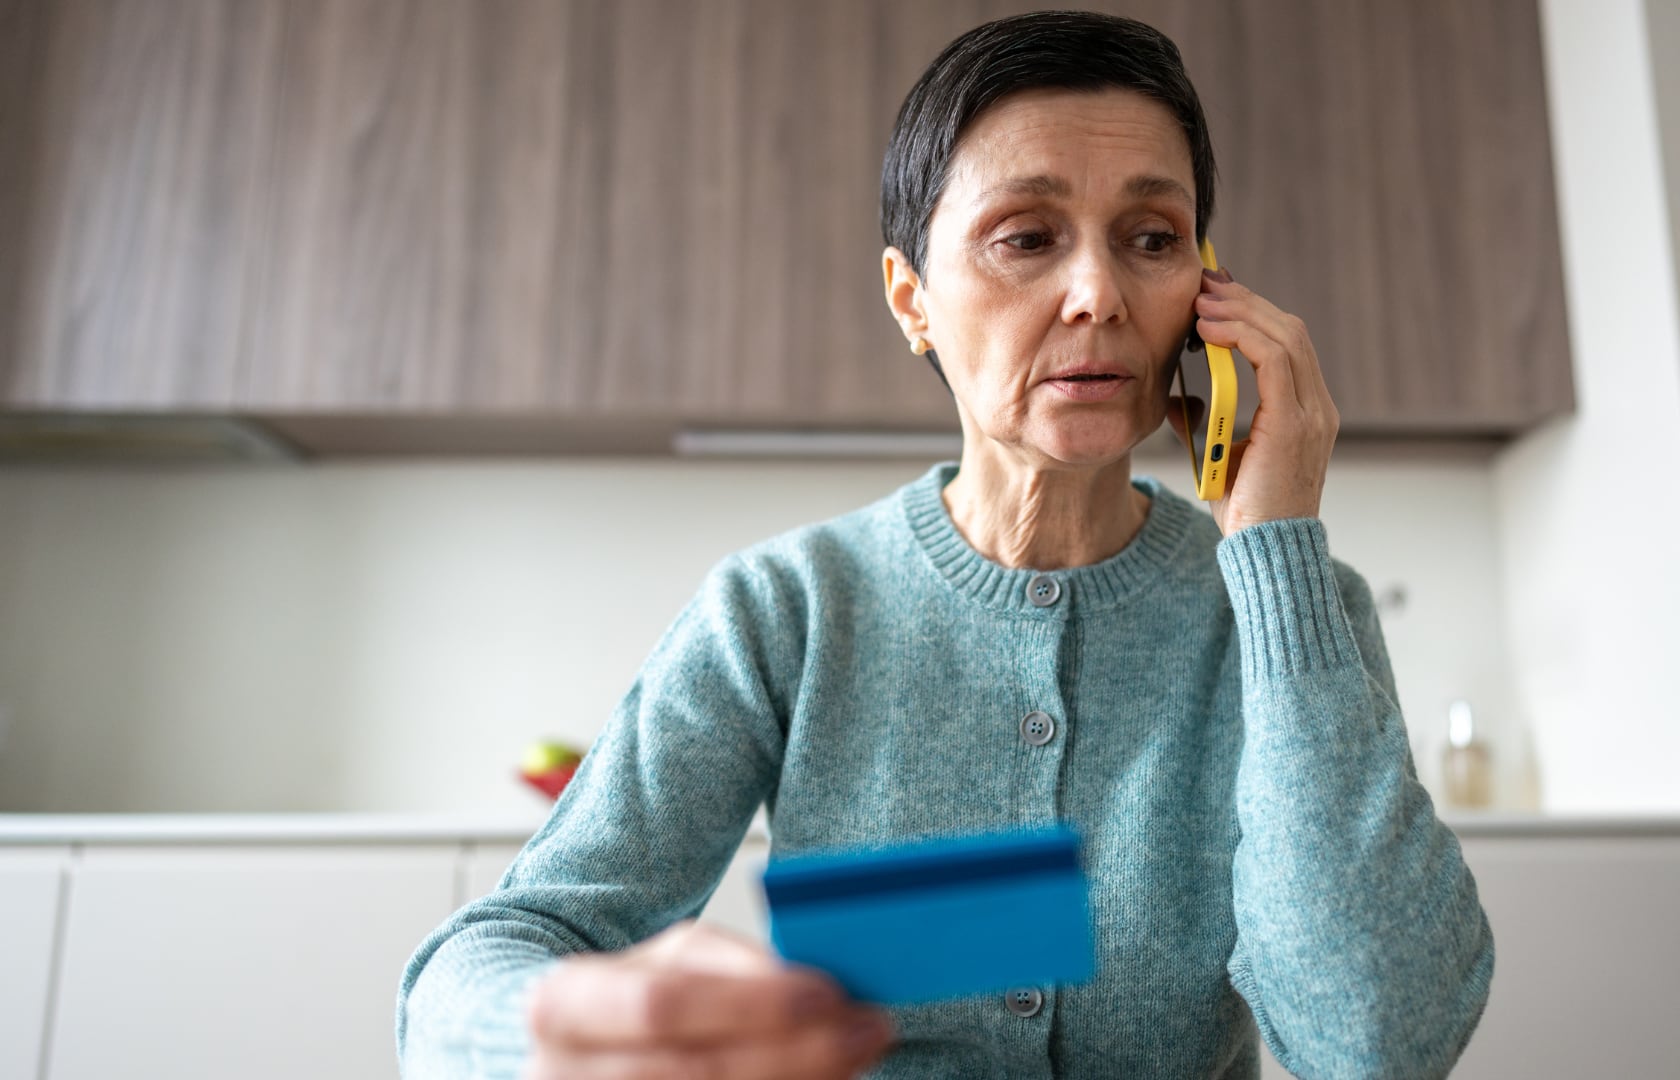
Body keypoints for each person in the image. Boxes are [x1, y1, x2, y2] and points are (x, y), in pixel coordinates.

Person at [396, 11, 1493, 1079]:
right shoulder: (787, 613)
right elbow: (481, 965)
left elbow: (1378, 1045)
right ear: (912, 299)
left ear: (1206, 287)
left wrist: (1279, 552)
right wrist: (561, 1021)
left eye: (1152, 239)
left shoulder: (1293, 610)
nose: (1099, 294)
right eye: (1027, 237)